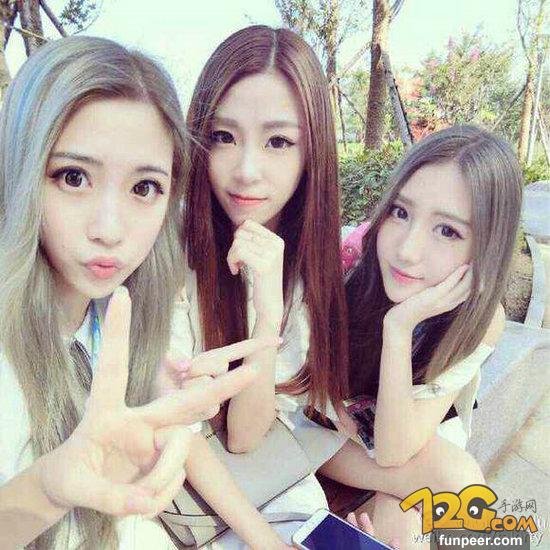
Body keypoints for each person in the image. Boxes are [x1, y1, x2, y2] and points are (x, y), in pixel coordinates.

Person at [0, 36, 270, 549]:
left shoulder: (113, 316)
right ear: (18, 169)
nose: (109, 229)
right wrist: (48, 489)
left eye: (144, 188)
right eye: (73, 177)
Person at [168, 24, 350, 547]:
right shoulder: (167, 243)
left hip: (255, 476)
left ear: (312, 153)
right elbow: (179, 423)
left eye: (278, 141)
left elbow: (246, 436)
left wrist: (267, 313)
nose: (247, 171)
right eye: (223, 137)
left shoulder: (303, 260)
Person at [319, 125, 522, 548]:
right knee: (455, 483)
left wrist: (399, 328)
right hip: (325, 436)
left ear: (486, 246)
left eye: (447, 231)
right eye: (400, 212)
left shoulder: (480, 318)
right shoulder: (347, 265)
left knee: (437, 504)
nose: (407, 249)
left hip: (406, 434)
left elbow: (396, 447)